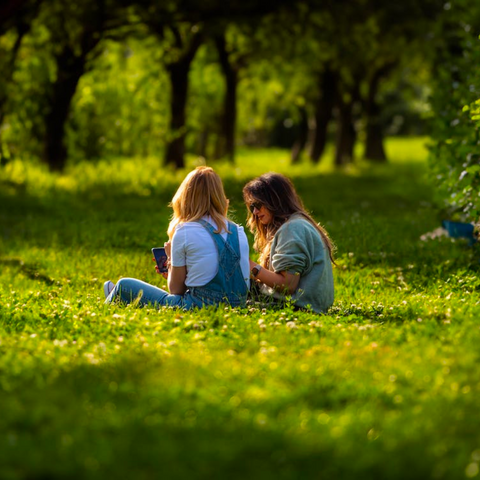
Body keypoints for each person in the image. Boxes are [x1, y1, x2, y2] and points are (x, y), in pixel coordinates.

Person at [104, 166, 250, 309]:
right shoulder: (238, 231)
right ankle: (115, 295)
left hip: (198, 306)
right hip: (238, 306)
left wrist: (170, 259)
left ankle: (113, 297)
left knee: (124, 285)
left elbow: (176, 291)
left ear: (186, 197)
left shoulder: (185, 231)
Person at [243, 172, 334, 314]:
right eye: (251, 207)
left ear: (275, 201)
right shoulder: (297, 223)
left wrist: (251, 267)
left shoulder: (292, 229)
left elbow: (288, 285)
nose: (254, 211)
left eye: (258, 205)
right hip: (307, 305)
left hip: (298, 308)